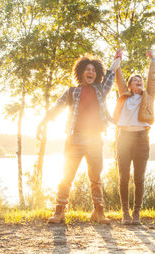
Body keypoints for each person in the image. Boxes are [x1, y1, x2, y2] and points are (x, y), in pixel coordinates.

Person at [37, 50, 122, 224]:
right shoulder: (72, 92)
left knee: (96, 178)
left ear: (96, 73)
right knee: (66, 176)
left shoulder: (101, 89)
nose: (91, 72)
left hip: (94, 139)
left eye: (93, 70)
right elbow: (56, 108)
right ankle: (59, 212)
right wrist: (42, 122)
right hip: (74, 139)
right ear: (81, 72)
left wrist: (117, 59)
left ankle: (99, 212)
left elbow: (111, 74)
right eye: (87, 69)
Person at [112, 50, 155, 225]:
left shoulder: (148, 96)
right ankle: (125, 212)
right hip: (124, 138)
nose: (139, 82)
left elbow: (151, 78)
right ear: (129, 86)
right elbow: (118, 77)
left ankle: (136, 212)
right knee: (123, 177)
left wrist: (153, 60)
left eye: (141, 81)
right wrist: (118, 60)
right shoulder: (124, 95)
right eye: (135, 81)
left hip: (141, 138)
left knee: (139, 178)